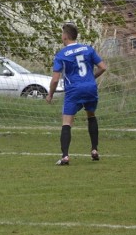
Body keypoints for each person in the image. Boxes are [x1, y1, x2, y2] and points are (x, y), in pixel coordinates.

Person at [46, 23, 108, 166]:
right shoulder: (88, 49)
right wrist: (91, 78)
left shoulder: (61, 54)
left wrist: (50, 94)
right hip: (91, 87)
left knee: (67, 122)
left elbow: (55, 79)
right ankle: (94, 150)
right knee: (91, 115)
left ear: (65, 36)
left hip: (74, 90)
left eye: (62, 34)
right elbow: (103, 67)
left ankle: (65, 156)